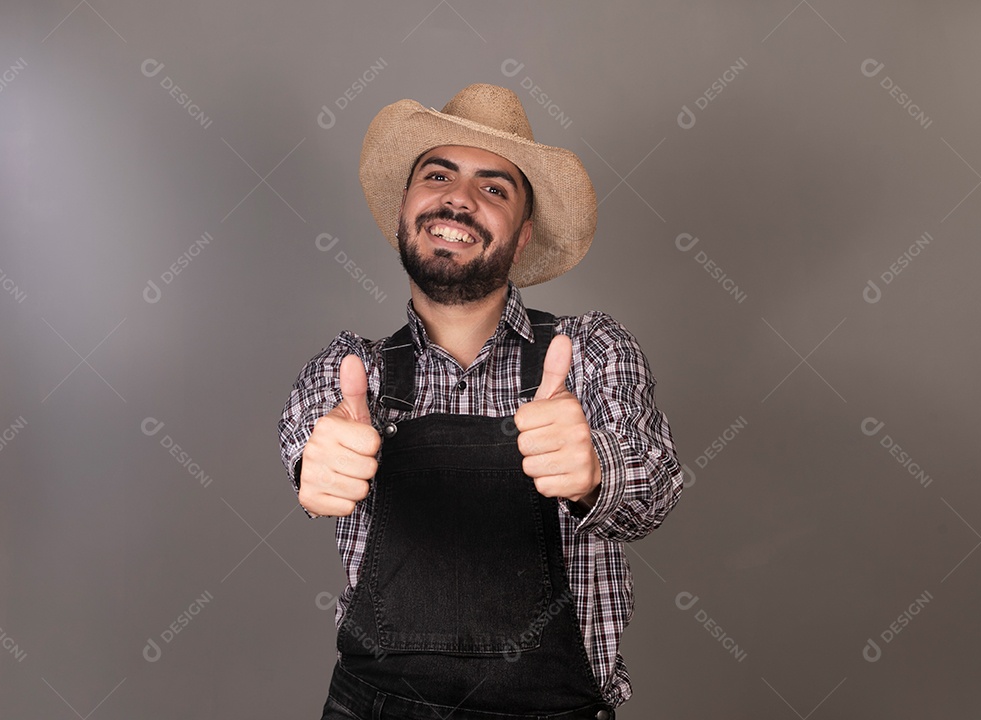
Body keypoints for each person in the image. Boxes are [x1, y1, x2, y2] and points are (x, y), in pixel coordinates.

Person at [278, 83, 684, 719]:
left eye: (494, 188)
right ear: (405, 209)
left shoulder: (593, 353)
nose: (459, 198)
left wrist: (596, 470)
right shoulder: (351, 370)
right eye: (438, 175)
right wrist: (317, 463)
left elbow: (653, 497)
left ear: (522, 237)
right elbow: (307, 439)